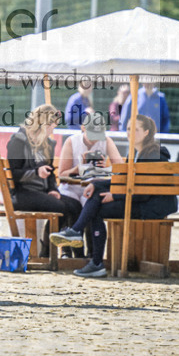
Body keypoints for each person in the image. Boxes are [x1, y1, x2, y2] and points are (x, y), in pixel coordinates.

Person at [49, 114, 178, 277]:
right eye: (129, 129)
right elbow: (127, 180)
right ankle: (87, 250)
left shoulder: (155, 154)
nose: (130, 133)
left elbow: (143, 192)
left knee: (97, 204)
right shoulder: (142, 152)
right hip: (143, 201)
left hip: (152, 207)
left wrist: (115, 195)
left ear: (146, 132)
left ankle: (90, 254)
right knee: (96, 195)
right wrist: (96, 184)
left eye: (135, 130)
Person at [7, 104, 82, 253]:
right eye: (50, 126)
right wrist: (36, 172)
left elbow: (50, 172)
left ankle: (73, 253)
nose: (52, 130)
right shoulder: (18, 140)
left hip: (40, 192)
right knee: (60, 207)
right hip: (22, 192)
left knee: (75, 206)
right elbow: (13, 173)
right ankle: (47, 251)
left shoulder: (48, 144)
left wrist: (53, 189)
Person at [54, 111, 123, 258]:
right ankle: (70, 251)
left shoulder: (106, 141)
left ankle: (91, 254)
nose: (94, 141)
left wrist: (106, 166)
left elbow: (121, 169)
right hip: (71, 187)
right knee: (73, 206)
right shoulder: (72, 141)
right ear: (83, 128)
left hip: (92, 188)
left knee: (92, 207)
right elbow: (62, 175)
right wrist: (79, 167)